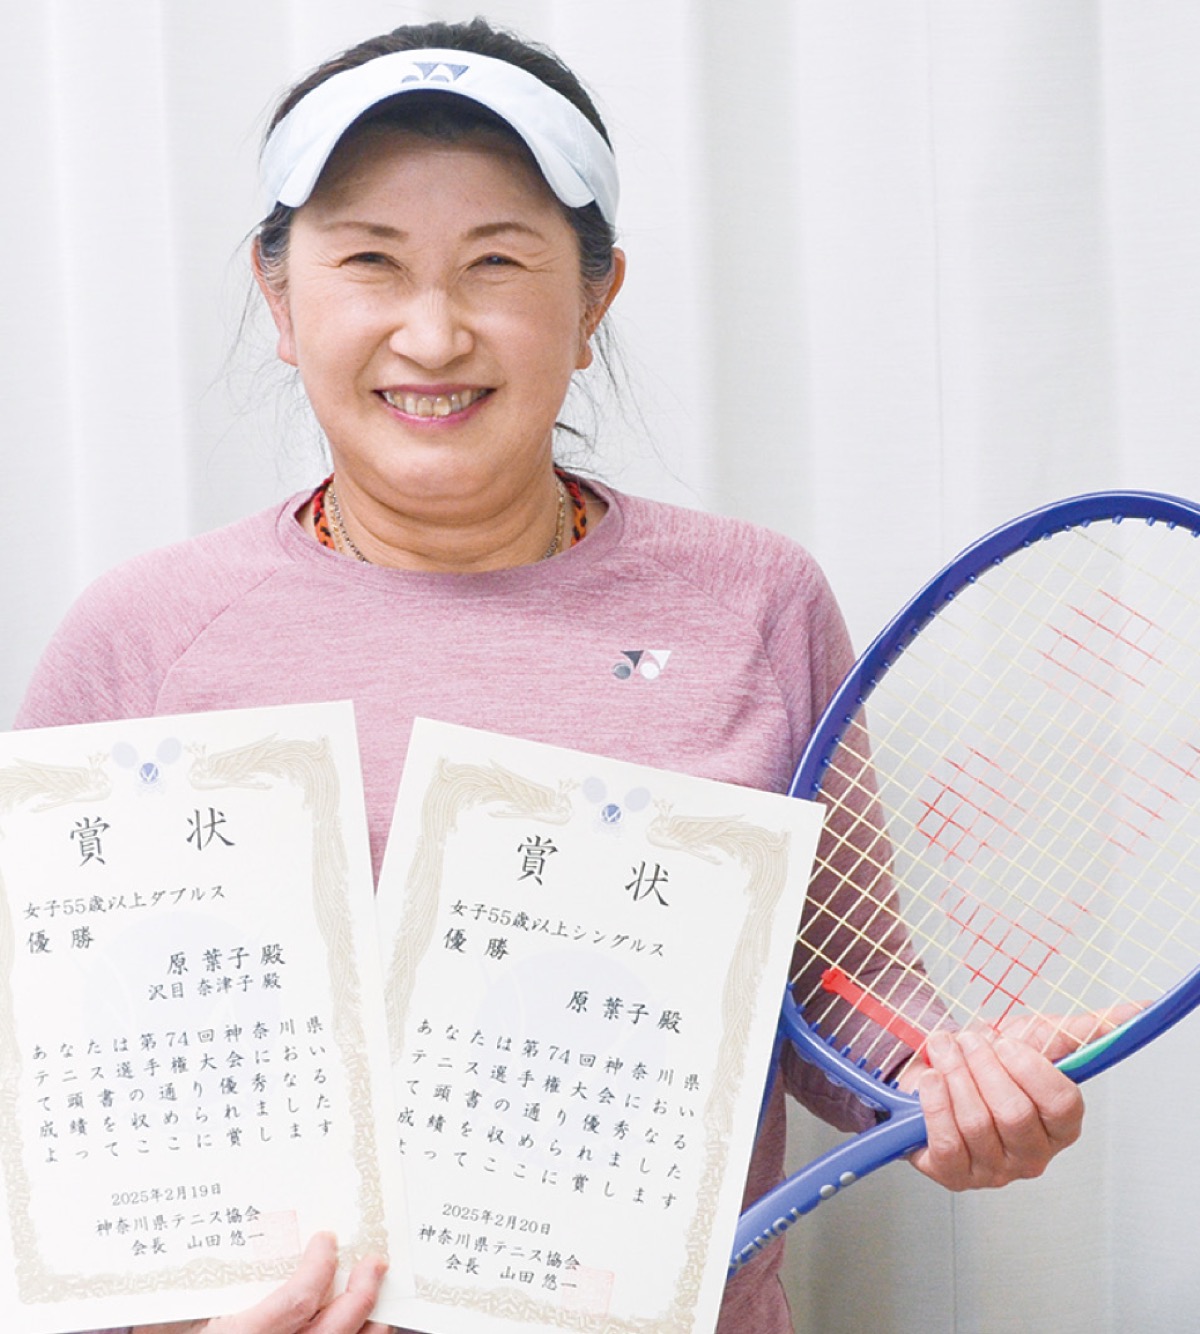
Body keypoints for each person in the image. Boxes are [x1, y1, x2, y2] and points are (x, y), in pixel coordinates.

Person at [21, 18, 1092, 1334]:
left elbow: (834, 990)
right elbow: (50, 1088)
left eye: (496, 262)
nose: (432, 332)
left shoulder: (753, 601)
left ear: (593, 300)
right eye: (369, 260)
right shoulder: (142, 637)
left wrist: (951, 1085)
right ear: (280, 297)